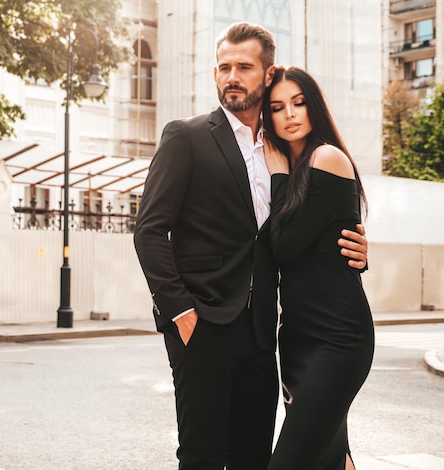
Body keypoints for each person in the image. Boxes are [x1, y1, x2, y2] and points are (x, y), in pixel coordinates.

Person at [133, 22, 368, 470]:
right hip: (202, 324)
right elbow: (148, 229)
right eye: (224, 67)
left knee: (254, 457)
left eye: (244, 66)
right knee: (202, 456)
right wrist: (180, 311)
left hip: (264, 333)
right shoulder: (187, 136)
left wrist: (357, 246)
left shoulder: (286, 150)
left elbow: (310, 226)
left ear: (267, 72)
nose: (232, 76)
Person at [262, 65, 375, 470]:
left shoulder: (326, 158)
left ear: (315, 107)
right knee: (330, 460)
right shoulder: (289, 171)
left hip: (337, 338)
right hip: (296, 339)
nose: (290, 114)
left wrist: (277, 176)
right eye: (277, 107)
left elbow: (284, 248)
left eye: (299, 102)